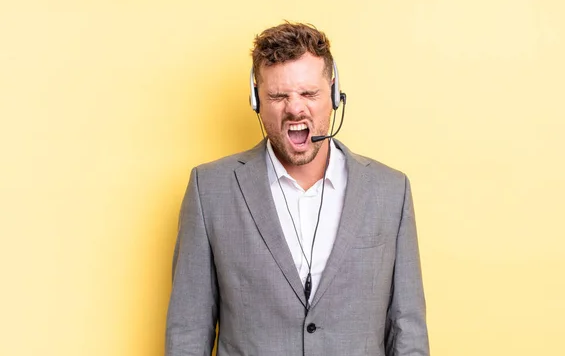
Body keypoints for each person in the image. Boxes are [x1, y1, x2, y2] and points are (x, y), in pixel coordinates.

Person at [165, 21, 429, 356]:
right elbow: (188, 333)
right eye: (278, 95)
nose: (295, 108)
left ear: (334, 94)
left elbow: (408, 332)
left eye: (308, 93)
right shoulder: (210, 190)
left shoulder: (391, 191)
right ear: (256, 99)